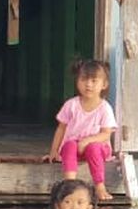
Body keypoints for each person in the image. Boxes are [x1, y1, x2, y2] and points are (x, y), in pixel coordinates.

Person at [45, 60, 117, 201]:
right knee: (69, 144)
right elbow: (61, 129)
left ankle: (100, 185)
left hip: (99, 148)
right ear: (77, 81)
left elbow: (106, 134)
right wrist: (53, 151)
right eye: (84, 79)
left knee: (93, 147)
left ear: (104, 84)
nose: (88, 84)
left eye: (94, 80)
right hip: (75, 148)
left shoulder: (105, 108)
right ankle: (69, 185)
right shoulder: (71, 105)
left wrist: (87, 140)